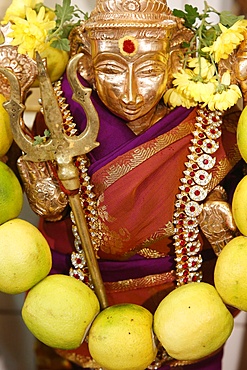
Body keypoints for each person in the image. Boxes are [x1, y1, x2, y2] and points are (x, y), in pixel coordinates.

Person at [10, 0, 247, 369]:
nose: (132, 92)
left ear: (178, 57)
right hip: (77, 305)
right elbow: (51, 219)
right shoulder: (62, 115)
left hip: (188, 311)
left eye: (150, 69)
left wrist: (220, 232)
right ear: (84, 62)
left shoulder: (212, 120)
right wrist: (44, 190)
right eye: (111, 70)